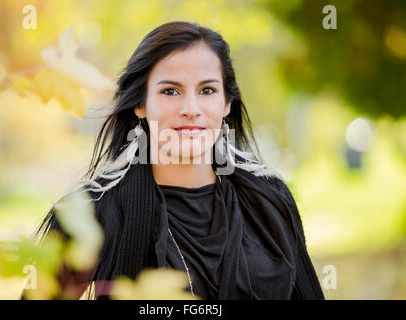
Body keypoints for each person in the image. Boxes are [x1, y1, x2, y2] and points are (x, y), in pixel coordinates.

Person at [23, 21, 325, 300]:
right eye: (170, 91)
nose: (191, 108)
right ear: (140, 104)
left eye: (207, 90)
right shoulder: (91, 213)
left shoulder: (268, 199)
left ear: (226, 104)